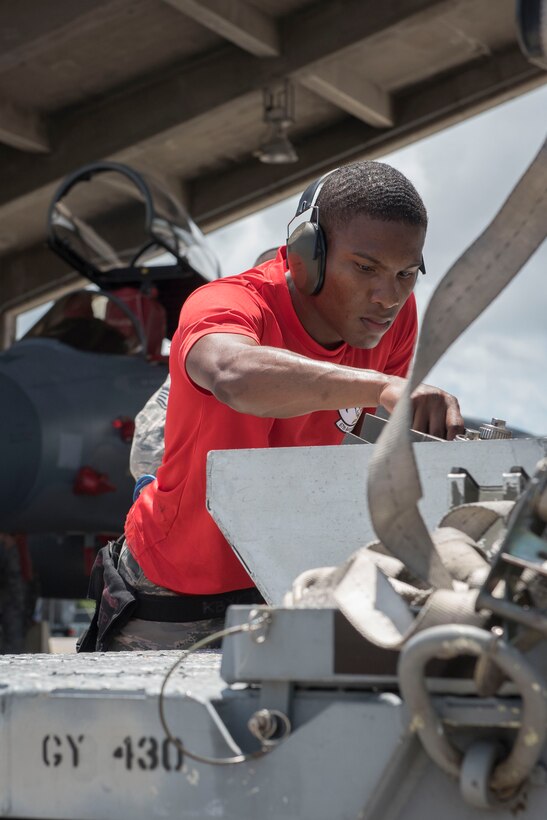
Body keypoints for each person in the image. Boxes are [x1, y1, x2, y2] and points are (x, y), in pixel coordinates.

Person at [79, 160, 464, 653]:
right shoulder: (227, 304)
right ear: (308, 253)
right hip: (175, 593)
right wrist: (381, 387)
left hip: (284, 581)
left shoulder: (392, 319)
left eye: (406, 274)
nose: (388, 296)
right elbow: (233, 374)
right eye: (365, 268)